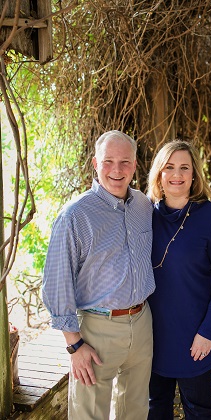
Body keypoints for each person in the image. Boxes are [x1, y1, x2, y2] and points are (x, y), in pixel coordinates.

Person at [42, 130, 155, 420]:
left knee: (136, 409)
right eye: (108, 161)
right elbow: (57, 283)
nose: (116, 170)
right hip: (96, 329)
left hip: (142, 322)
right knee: (89, 413)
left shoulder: (143, 206)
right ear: (95, 163)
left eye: (124, 162)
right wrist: (74, 344)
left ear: (135, 165)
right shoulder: (75, 215)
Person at [147, 140, 211, 420]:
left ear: (194, 174)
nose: (177, 174)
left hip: (196, 337)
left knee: (198, 409)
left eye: (184, 167)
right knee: (155, 406)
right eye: (169, 167)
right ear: (159, 174)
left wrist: (208, 333)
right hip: (151, 336)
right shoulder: (143, 215)